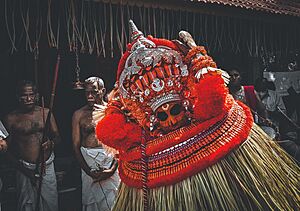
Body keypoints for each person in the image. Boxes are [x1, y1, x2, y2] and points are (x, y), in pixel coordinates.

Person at [93, 20, 299, 210]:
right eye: (163, 116)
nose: (172, 120)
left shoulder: (205, 111)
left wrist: (197, 57)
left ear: (184, 104)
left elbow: (213, 94)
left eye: (174, 110)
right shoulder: (146, 138)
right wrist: (117, 102)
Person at [3, 80, 60, 211]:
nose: (28, 99)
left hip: (46, 167)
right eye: (24, 95)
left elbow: (58, 138)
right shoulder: (11, 118)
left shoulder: (46, 113)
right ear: (18, 97)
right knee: (26, 206)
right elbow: (5, 150)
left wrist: (51, 144)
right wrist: (25, 171)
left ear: (37, 96)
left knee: (50, 204)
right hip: (24, 168)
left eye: (31, 95)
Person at [72, 77, 119, 211]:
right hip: (88, 163)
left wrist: (111, 169)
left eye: (94, 92)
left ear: (103, 91)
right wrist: (88, 172)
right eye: (87, 93)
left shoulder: (111, 111)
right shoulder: (79, 115)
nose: (90, 96)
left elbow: (121, 144)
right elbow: (75, 146)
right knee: (91, 204)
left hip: (110, 162)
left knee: (114, 201)